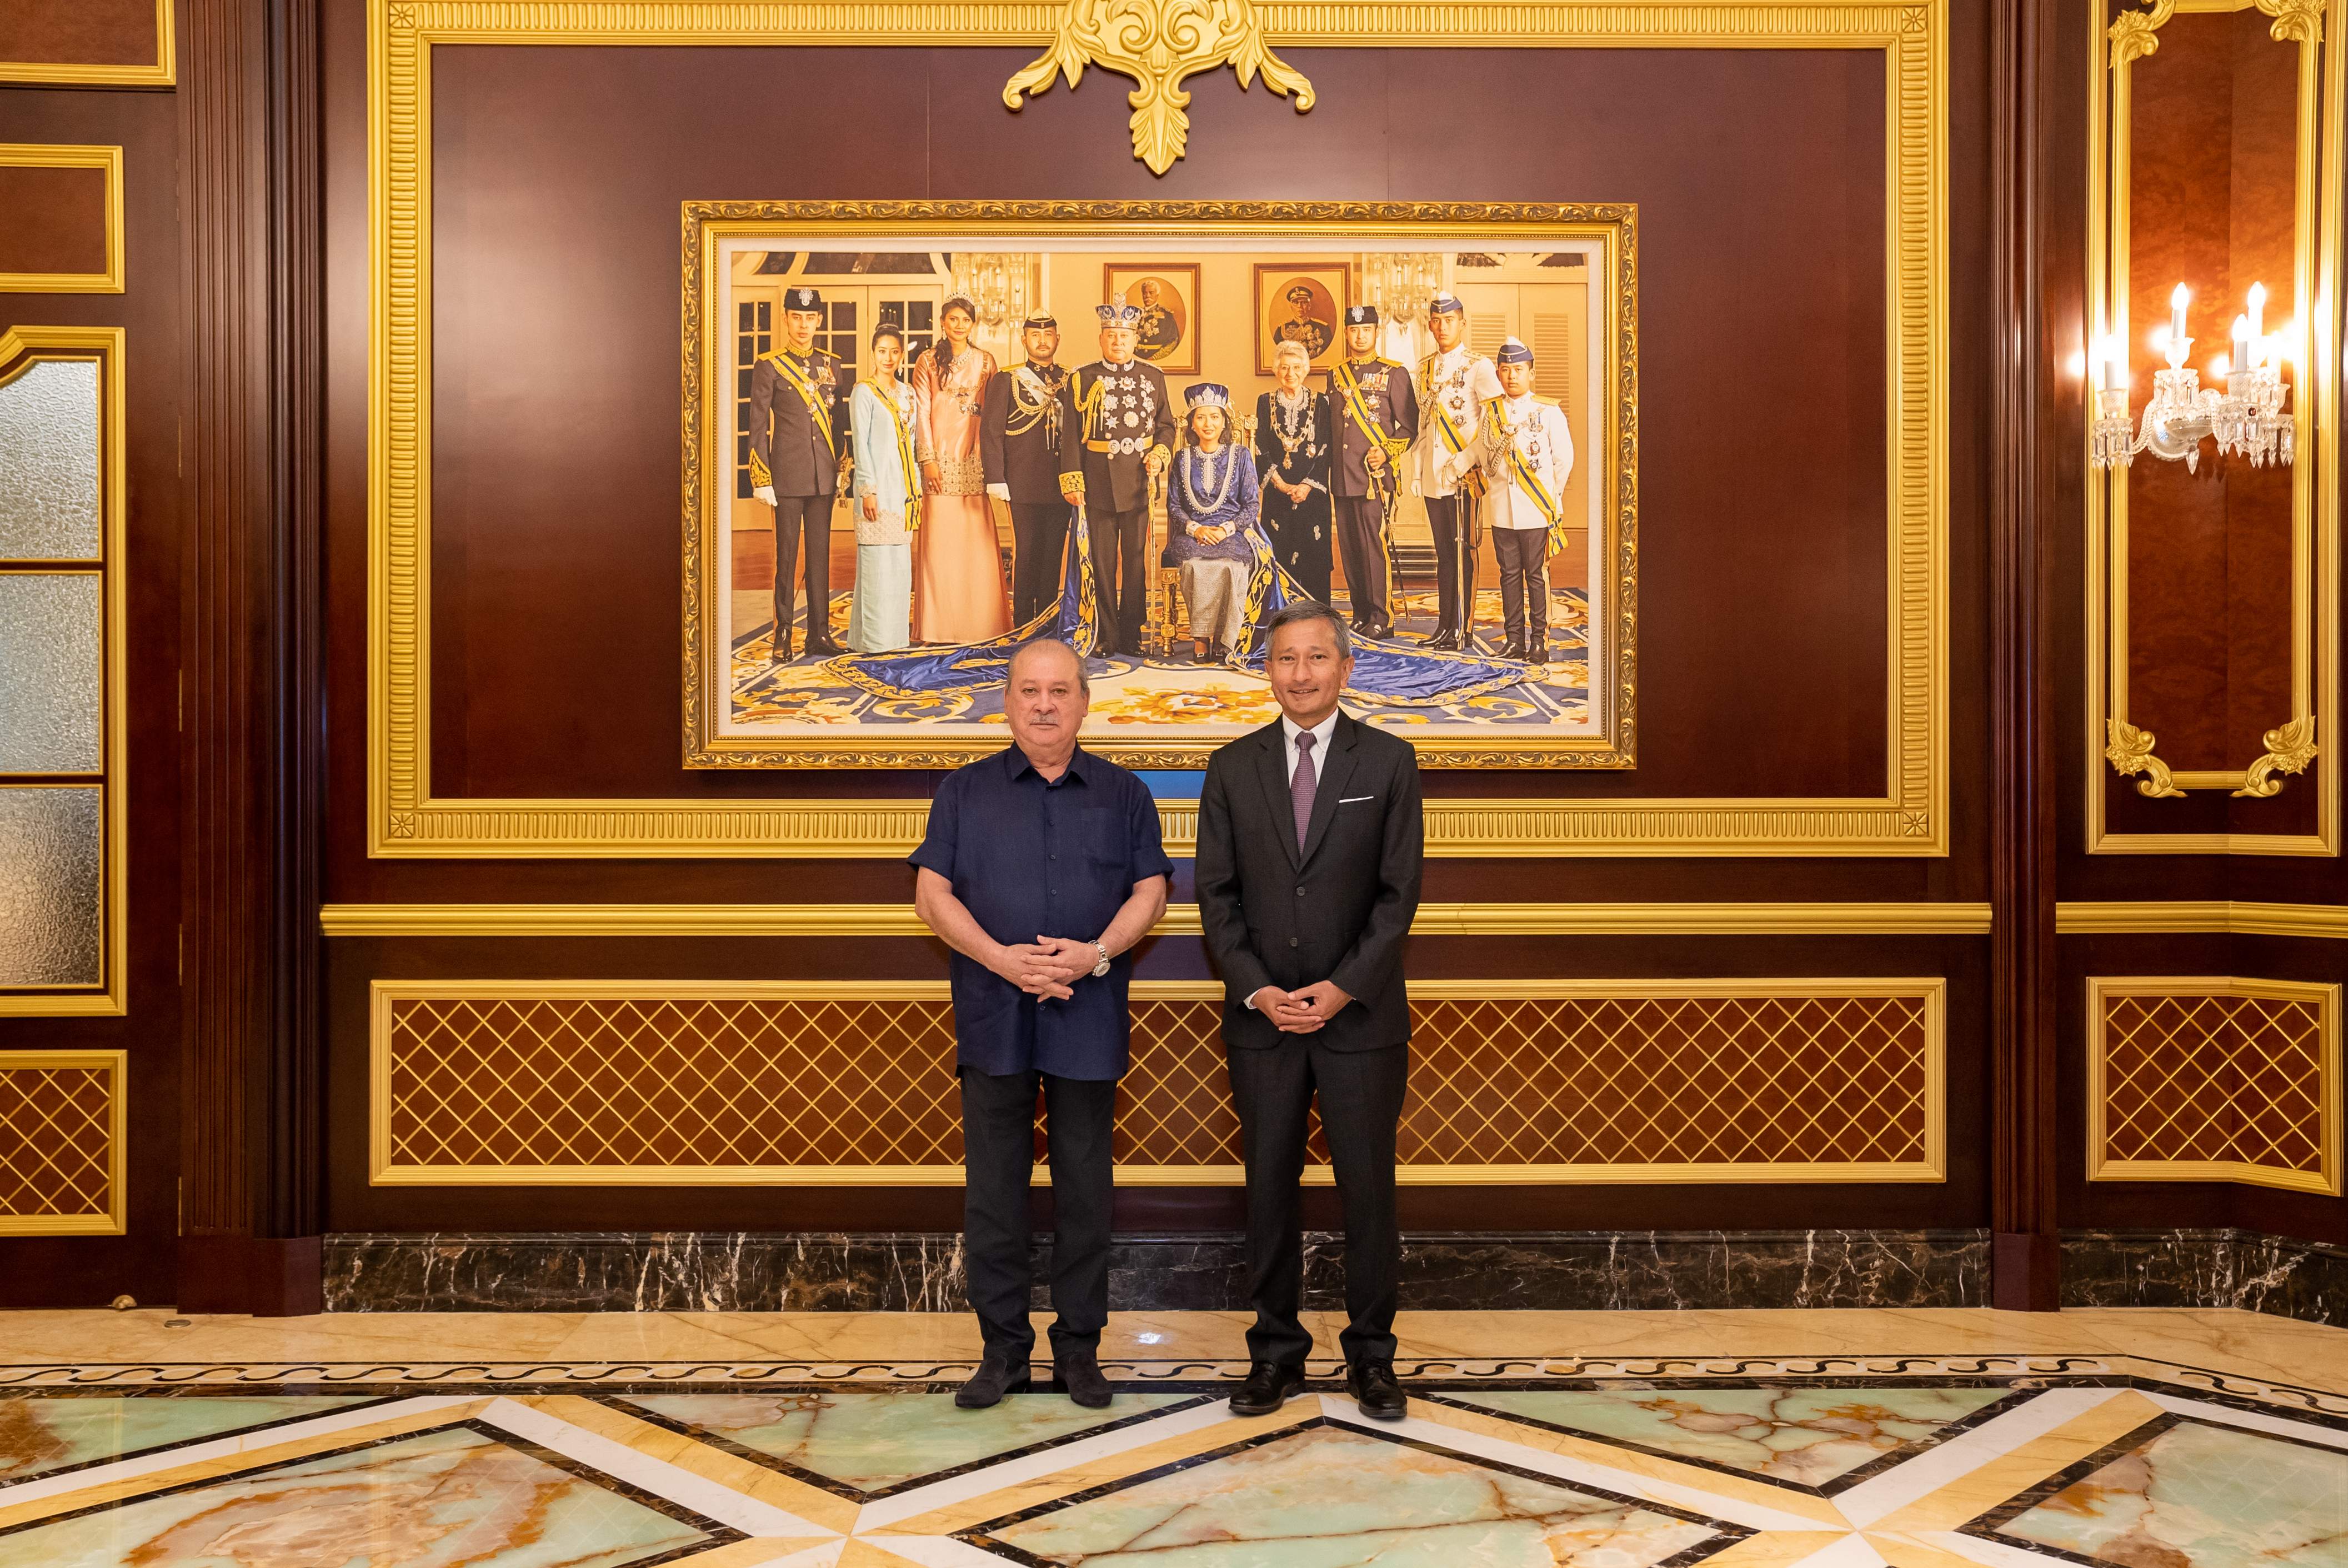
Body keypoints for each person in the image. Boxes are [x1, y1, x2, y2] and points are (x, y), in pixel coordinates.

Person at [910, 638, 1172, 1410]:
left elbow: (1150, 891)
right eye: (1029, 689)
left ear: (1084, 702)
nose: (1044, 703)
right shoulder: (962, 791)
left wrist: (1092, 953)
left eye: (1060, 689)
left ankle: (1080, 1351)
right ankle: (1001, 1351)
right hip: (994, 1014)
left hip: (1086, 1012)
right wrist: (1002, 958)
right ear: (1007, 701)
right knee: (994, 1189)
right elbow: (932, 894)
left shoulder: (1124, 793)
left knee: (1084, 1189)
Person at [1194, 600, 1425, 1423]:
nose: (1300, 673)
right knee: (1267, 1191)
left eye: (1315, 657)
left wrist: (1339, 988)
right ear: (1267, 669)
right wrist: (1260, 989)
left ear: (1344, 667)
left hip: (1360, 1020)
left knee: (1367, 1191)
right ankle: (1274, 1355)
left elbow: (1398, 899)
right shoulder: (1230, 766)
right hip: (1263, 1022)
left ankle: (1372, 1358)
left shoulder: (1390, 761)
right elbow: (1214, 898)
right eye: (1285, 658)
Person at [1058, 302, 1176, 658]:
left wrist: (1158, 454)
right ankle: (1107, 634)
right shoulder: (1082, 377)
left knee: (1137, 561)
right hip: (1097, 482)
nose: (1118, 342)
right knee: (1103, 561)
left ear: (1135, 338)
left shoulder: (1153, 376)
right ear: (1101, 339)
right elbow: (1071, 435)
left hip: (1140, 481)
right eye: (1112, 336)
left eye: (1125, 336)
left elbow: (1166, 426)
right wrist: (1073, 480)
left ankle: (1132, 632)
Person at [747, 284, 849, 662]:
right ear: (786, 319)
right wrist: (761, 477)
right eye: (796, 317)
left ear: (819, 320)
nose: (803, 325)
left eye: (810, 318)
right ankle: (784, 634)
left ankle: (819, 634)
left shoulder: (832, 364)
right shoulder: (769, 365)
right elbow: (756, 424)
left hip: (823, 476)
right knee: (786, 558)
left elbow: (839, 423)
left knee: (820, 557)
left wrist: (842, 465)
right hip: (786, 476)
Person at [1460, 337, 1575, 664]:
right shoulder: (1491, 411)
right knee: (1508, 574)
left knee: (1536, 575)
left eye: (1519, 370)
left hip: (1536, 508)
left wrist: (1551, 499)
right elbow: (1484, 455)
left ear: (1531, 373)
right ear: (1498, 374)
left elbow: (1563, 460)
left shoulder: (1548, 411)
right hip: (1502, 508)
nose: (1512, 376)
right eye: (1506, 370)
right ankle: (1514, 639)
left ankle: (1539, 641)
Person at [912, 294, 1009, 643]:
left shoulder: (986, 363)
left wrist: (994, 464)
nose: (958, 325)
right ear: (942, 322)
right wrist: (928, 460)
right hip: (939, 463)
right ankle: (940, 627)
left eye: (965, 320)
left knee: (975, 547)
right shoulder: (926, 362)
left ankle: (983, 625)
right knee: (941, 547)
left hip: (975, 460)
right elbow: (921, 412)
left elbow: (995, 416)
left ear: (973, 325)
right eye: (952, 319)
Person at [1409, 294, 1501, 650]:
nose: (1442, 326)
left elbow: (1494, 424)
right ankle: (1444, 626)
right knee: (1444, 554)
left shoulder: (1479, 367)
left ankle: (1462, 628)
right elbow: (1423, 427)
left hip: (1464, 476)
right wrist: (1418, 472)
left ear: (1462, 323)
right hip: (1435, 477)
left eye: (1450, 320)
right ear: (1430, 324)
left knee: (1463, 551)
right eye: (1436, 320)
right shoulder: (1425, 368)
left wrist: (1468, 458)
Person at [1325, 304, 1418, 640]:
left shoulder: (1394, 374)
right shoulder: (1336, 375)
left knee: (1372, 545)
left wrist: (1387, 451)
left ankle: (1382, 616)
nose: (1360, 335)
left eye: (1366, 330)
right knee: (1350, 547)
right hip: (1342, 476)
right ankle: (1362, 612)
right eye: (1353, 330)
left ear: (1376, 333)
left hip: (1373, 477)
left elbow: (1409, 427)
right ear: (1347, 334)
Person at [981, 313, 1073, 626]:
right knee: (1027, 554)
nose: (1042, 340)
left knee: (1052, 557)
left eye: (1048, 334)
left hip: (1061, 483)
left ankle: (1047, 620)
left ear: (1057, 339)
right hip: (1021, 482)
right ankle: (1022, 621)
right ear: (1024, 340)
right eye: (1035, 335)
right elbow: (991, 431)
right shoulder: (1007, 379)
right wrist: (996, 476)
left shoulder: (1070, 380)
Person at [1166, 384, 1262, 665]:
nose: (1208, 424)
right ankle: (1201, 638)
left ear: (1224, 422)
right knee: (1196, 565)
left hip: (1233, 531)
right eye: (1201, 418)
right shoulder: (1182, 459)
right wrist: (1196, 529)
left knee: (1231, 566)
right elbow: (1174, 505)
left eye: (1215, 417)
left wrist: (1226, 529)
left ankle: (1225, 638)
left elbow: (1252, 504)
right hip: (1193, 531)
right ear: (1192, 424)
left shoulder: (1242, 455)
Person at [848, 325, 918, 653]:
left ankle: (893, 641)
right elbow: (860, 445)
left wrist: (915, 488)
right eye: (881, 351)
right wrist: (867, 490)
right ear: (872, 353)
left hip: (903, 491)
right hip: (877, 490)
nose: (888, 358)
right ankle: (875, 645)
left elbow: (914, 444)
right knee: (876, 571)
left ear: (901, 355)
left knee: (899, 571)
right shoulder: (864, 392)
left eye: (894, 352)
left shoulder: (907, 394)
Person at [1254, 342, 1333, 605]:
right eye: (1285, 367)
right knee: (1280, 553)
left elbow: (1326, 447)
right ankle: (1281, 617)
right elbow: (1260, 447)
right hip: (1278, 497)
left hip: (1313, 496)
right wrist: (1281, 485)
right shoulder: (1265, 402)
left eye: (1297, 367)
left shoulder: (1321, 402)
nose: (1291, 373)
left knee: (1313, 555)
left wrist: (1306, 486)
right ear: (1277, 370)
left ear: (1306, 370)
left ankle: (1317, 617)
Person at [1273, 282, 1333, 360]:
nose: (1300, 306)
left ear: (1309, 306)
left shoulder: (1323, 328)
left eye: (1304, 303)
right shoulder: (1282, 329)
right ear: (1291, 307)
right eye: (1296, 303)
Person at [1133, 278, 1181, 363]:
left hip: (1156, 360)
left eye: (1151, 293)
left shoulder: (1166, 315)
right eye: (1145, 293)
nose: (1147, 296)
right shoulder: (1135, 314)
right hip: (1136, 359)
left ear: (1157, 295)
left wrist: (1155, 358)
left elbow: (1173, 341)